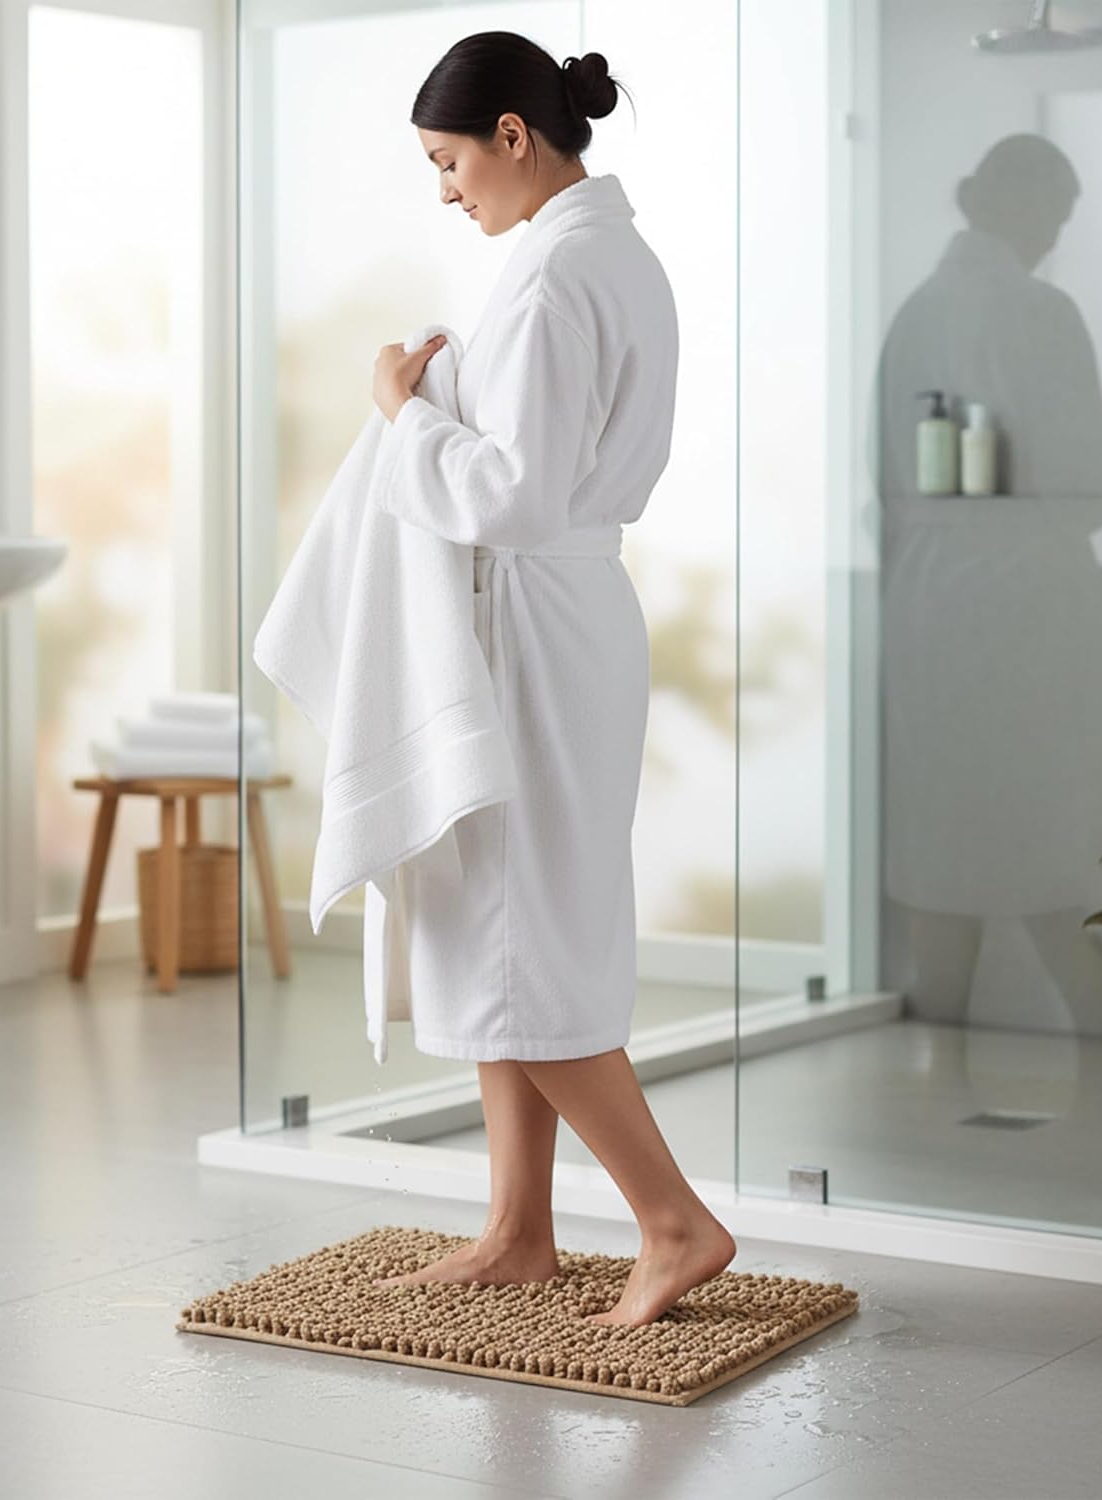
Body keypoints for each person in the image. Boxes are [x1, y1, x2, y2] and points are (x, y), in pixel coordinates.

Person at [364, 31, 735, 1328]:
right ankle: (518, 1229)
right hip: (571, 615)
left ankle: (674, 1223)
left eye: (449, 160)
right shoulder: (609, 256)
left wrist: (405, 413)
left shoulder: (553, 280)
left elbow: (515, 496)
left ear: (514, 136)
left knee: (526, 936)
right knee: (510, 928)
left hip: (534, 619)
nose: (446, 190)